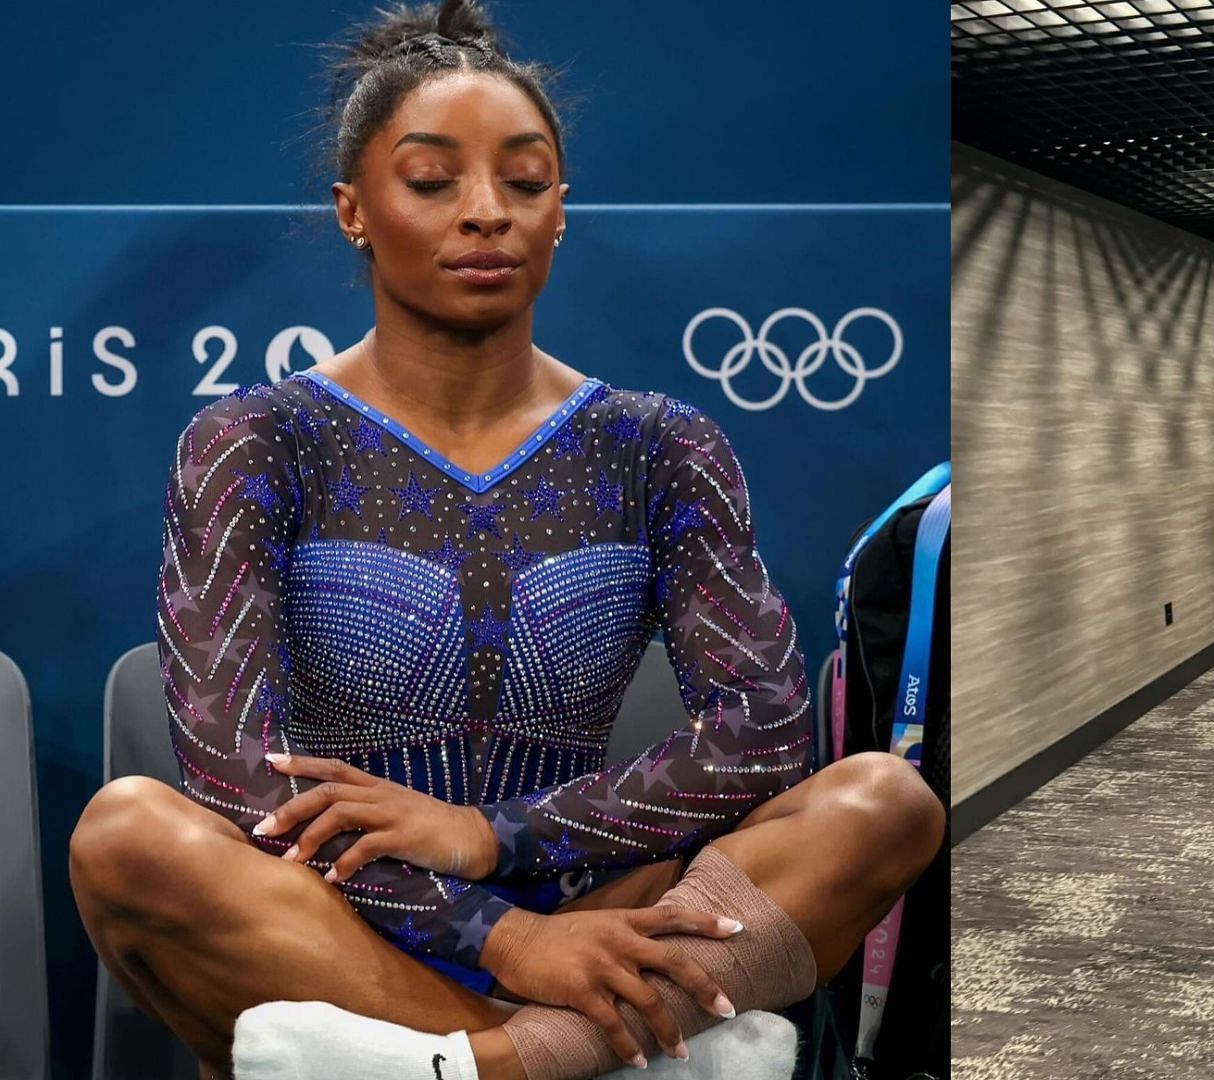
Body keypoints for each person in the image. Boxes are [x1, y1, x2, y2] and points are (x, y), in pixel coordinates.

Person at [67, 3, 946, 1078]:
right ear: (356, 208)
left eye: (524, 182)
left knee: (884, 803)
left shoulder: (659, 446)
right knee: (128, 836)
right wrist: (502, 938)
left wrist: (494, 843)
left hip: (600, 908)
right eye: (432, 181)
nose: (485, 212)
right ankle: (601, 1059)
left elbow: (760, 733)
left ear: (560, 211)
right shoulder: (255, 440)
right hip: (338, 926)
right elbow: (240, 783)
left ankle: (477, 1068)